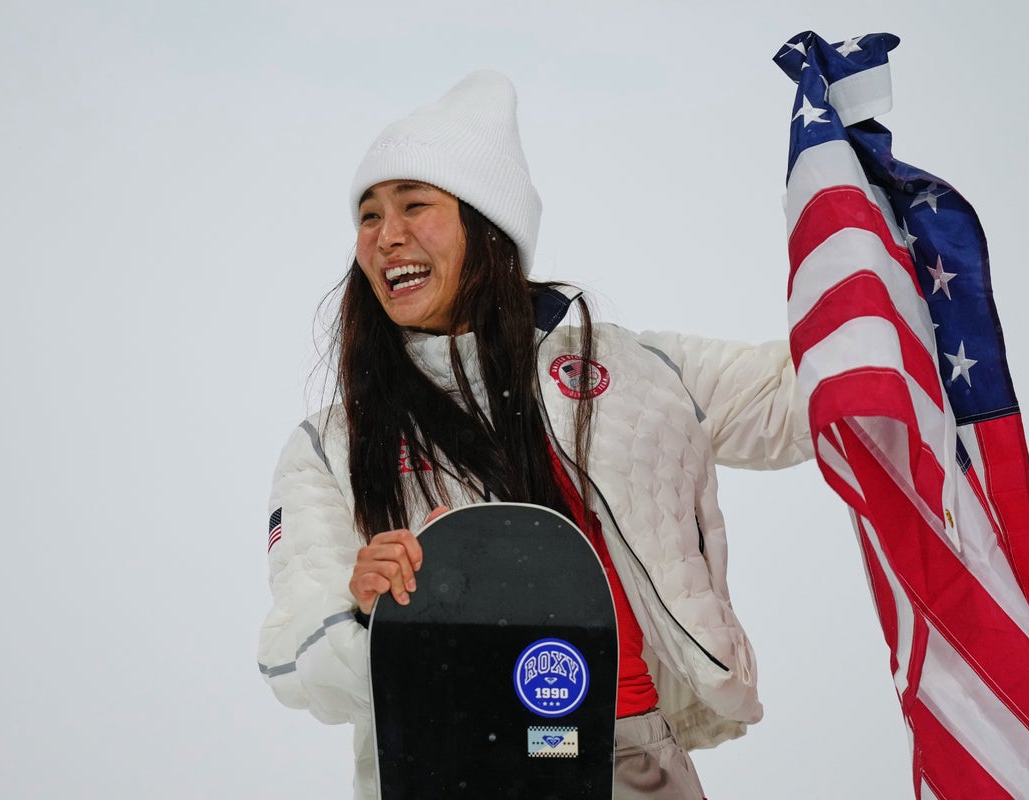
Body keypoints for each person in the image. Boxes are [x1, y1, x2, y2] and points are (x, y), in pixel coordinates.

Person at [257, 71, 813, 800]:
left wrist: (892, 283)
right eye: (368, 215)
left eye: (414, 204)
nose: (386, 235)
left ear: (488, 226)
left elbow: (801, 397)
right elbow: (292, 650)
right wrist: (366, 611)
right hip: (453, 771)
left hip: (633, 761)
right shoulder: (330, 444)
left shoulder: (632, 372)